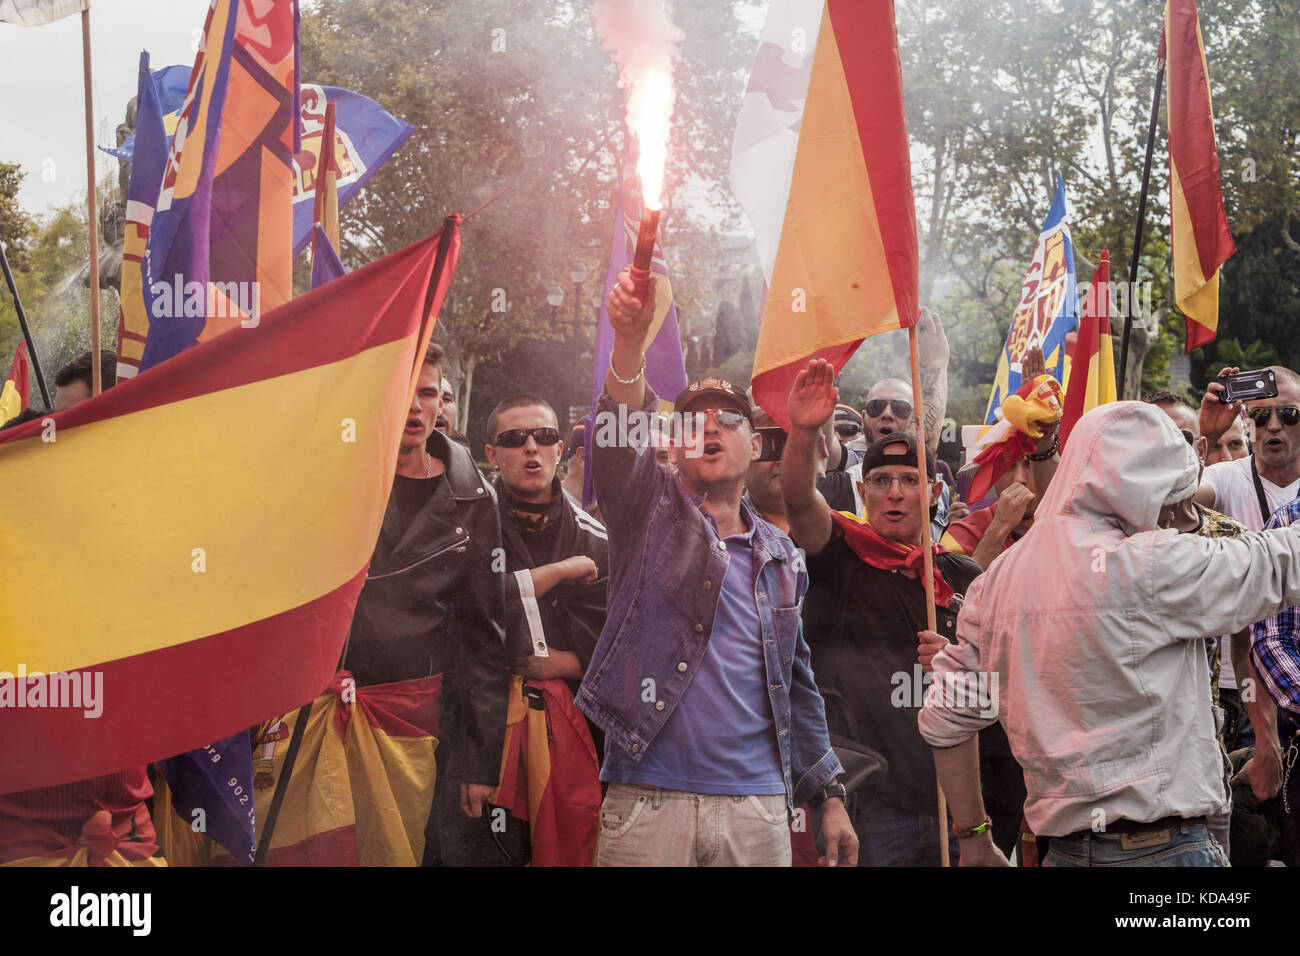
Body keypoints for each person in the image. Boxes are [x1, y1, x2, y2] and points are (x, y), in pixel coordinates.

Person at [919, 401, 1300, 867]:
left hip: (1062, 853)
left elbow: (945, 716)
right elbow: (1278, 563)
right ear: (1140, 489)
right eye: (1171, 501)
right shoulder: (1145, 564)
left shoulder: (996, 582)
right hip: (1162, 853)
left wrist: (975, 837)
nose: (1177, 518)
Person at [578, 270, 856, 867]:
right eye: (692, 422)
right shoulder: (643, 516)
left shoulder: (781, 558)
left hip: (758, 806)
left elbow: (797, 684)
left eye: (728, 420)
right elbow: (618, 439)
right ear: (672, 447)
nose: (709, 428)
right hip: (648, 797)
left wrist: (829, 793)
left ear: (756, 447)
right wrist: (629, 342)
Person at [782, 357, 1021, 864]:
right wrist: (803, 432)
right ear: (862, 492)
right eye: (882, 481)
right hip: (871, 804)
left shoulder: (964, 577)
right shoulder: (840, 555)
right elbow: (799, 500)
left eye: (910, 480)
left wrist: (961, 666)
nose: (895, 492)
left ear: (935, 492)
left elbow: (1014, 686)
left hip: (961, 811)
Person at [342, 341, 511, 866]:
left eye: (426, 392)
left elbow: (487, 638)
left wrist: (481, 762)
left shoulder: (475, 498)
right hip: (333, 712)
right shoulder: (338, 480)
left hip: (425, 725)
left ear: (442, 403)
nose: (414, 406)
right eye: (400, 391)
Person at [1145, 389, 1273, 859]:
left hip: (1204, 753)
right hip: (1128, 760)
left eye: (1180, 438)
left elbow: (1245, 655)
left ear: (1198, 450)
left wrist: (1265, 738)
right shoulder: (1115, 533)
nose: (1167, 449)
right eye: (1153, 438)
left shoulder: (1229, 537)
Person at [483, 393, 609, 864]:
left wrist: (568, 662)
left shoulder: (598, 541)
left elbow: (627, 644)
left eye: (544, 436)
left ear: (561, 449)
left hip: (575, 739)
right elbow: (466, 614)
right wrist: (553, 575)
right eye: (515, 439)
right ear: (492, 454)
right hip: (485, 735)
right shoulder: (466, 526)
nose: (531, 448)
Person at [1195, 366, 1300, 753]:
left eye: (1288, 414)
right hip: (1237, 684)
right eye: (1260, 416)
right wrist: (1206, 433)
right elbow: (1172, 503)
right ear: (1247, 421)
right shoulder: (1224, 477)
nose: (1273, 426)